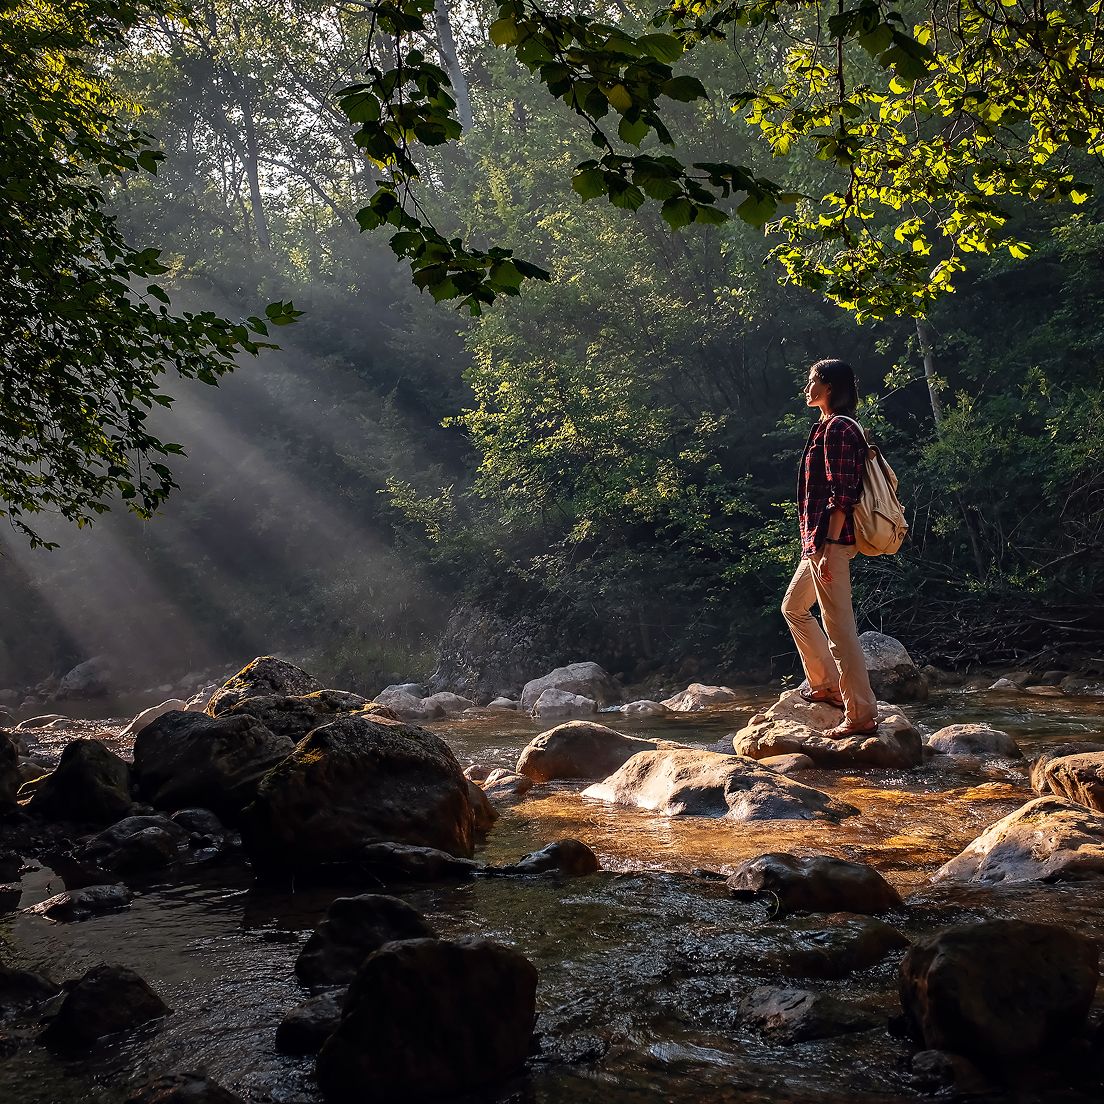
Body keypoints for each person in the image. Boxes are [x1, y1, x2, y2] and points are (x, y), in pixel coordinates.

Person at [781, 358, 878, 738]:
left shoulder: (838, 428)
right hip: (818, 543)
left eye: (812, 383)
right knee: (793, 607)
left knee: (840, 629)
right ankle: (827, 686)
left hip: (830, 543)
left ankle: (861, 714)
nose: (807, 390)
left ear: (830, 387)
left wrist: (828, 547)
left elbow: (842, 494)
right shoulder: (823, 427)